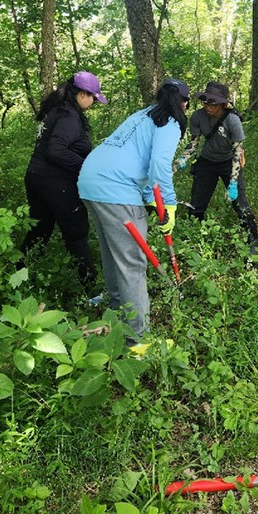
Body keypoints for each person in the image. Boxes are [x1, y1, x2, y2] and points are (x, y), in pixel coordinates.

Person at [77, 78, 189, 340]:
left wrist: (152, 198)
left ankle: (116, 310)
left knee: (113, 252)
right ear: (183, 104)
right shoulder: (170, 122)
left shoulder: (142, 115)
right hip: (115, 189)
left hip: (90, 181)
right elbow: (159, 163)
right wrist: (168, 204)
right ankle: (137, 338)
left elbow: (141, 159)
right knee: (132, 262)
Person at [20, 71, 107, 307]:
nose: (93, 103)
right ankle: (90, 292)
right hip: (57, 184)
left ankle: (16, 279)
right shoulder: (69, 116)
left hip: (36, 177)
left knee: (39, 229)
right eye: (92, 98)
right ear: (82, 94)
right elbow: (56, 150)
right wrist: (85, 167)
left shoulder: (57, 108)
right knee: (77, 234)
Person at [175, 81, 258, 251]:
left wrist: (233, 181)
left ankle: (253, 240)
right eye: (205, 101)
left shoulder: (232, 120)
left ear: (222, 103)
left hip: (228, 162)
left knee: (240, 204)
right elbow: (194, 143)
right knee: (197, 202)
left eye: (212, 103)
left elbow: (237, 152)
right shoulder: (198, 117)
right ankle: (195, 237)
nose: (208, 106)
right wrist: (183, 158)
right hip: (207, 162)